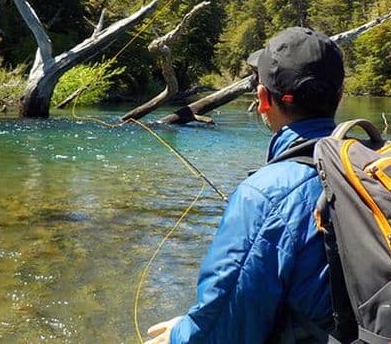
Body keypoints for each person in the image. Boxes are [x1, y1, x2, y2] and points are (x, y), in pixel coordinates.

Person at [146, 27, 345, 344]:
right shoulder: (379, 168)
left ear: (263, 99)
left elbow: (223, 333)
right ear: (339, 97)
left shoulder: (263, 196)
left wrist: (180, 334)